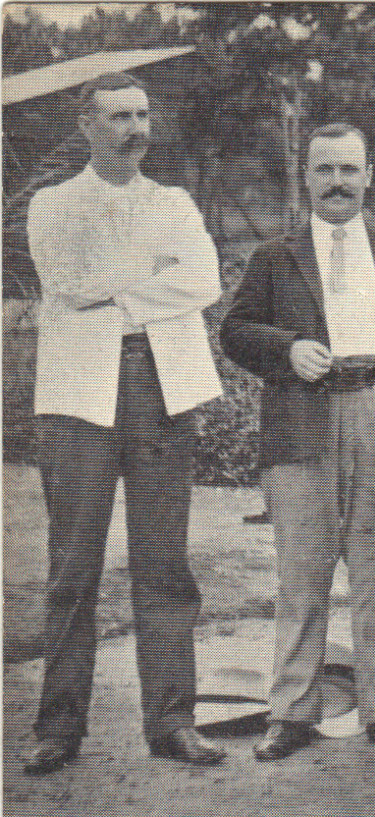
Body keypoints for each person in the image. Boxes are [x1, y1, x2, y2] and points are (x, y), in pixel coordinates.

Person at [221, 123, 375, 760]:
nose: (337, 183)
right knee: (303, 573)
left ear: (369, 174)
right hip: (301, 420)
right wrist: (287, 349)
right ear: (306, 177)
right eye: (324, 170)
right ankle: (291, 712)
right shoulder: (276, 255)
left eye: (349, 170)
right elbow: (235, 330)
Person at [22, 72, 226, 774]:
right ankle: (59, 727)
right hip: (79, 396)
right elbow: (68, 283)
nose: (135, 129)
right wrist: (153, 279)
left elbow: (204, 280)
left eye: (141, 115)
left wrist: (124, 295)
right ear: (86, 125)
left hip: (162, 388)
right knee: (72, 569)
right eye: (117, 117)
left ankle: (172, 722)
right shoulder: (53, 204)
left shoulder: (174, 201)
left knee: (164, 565)